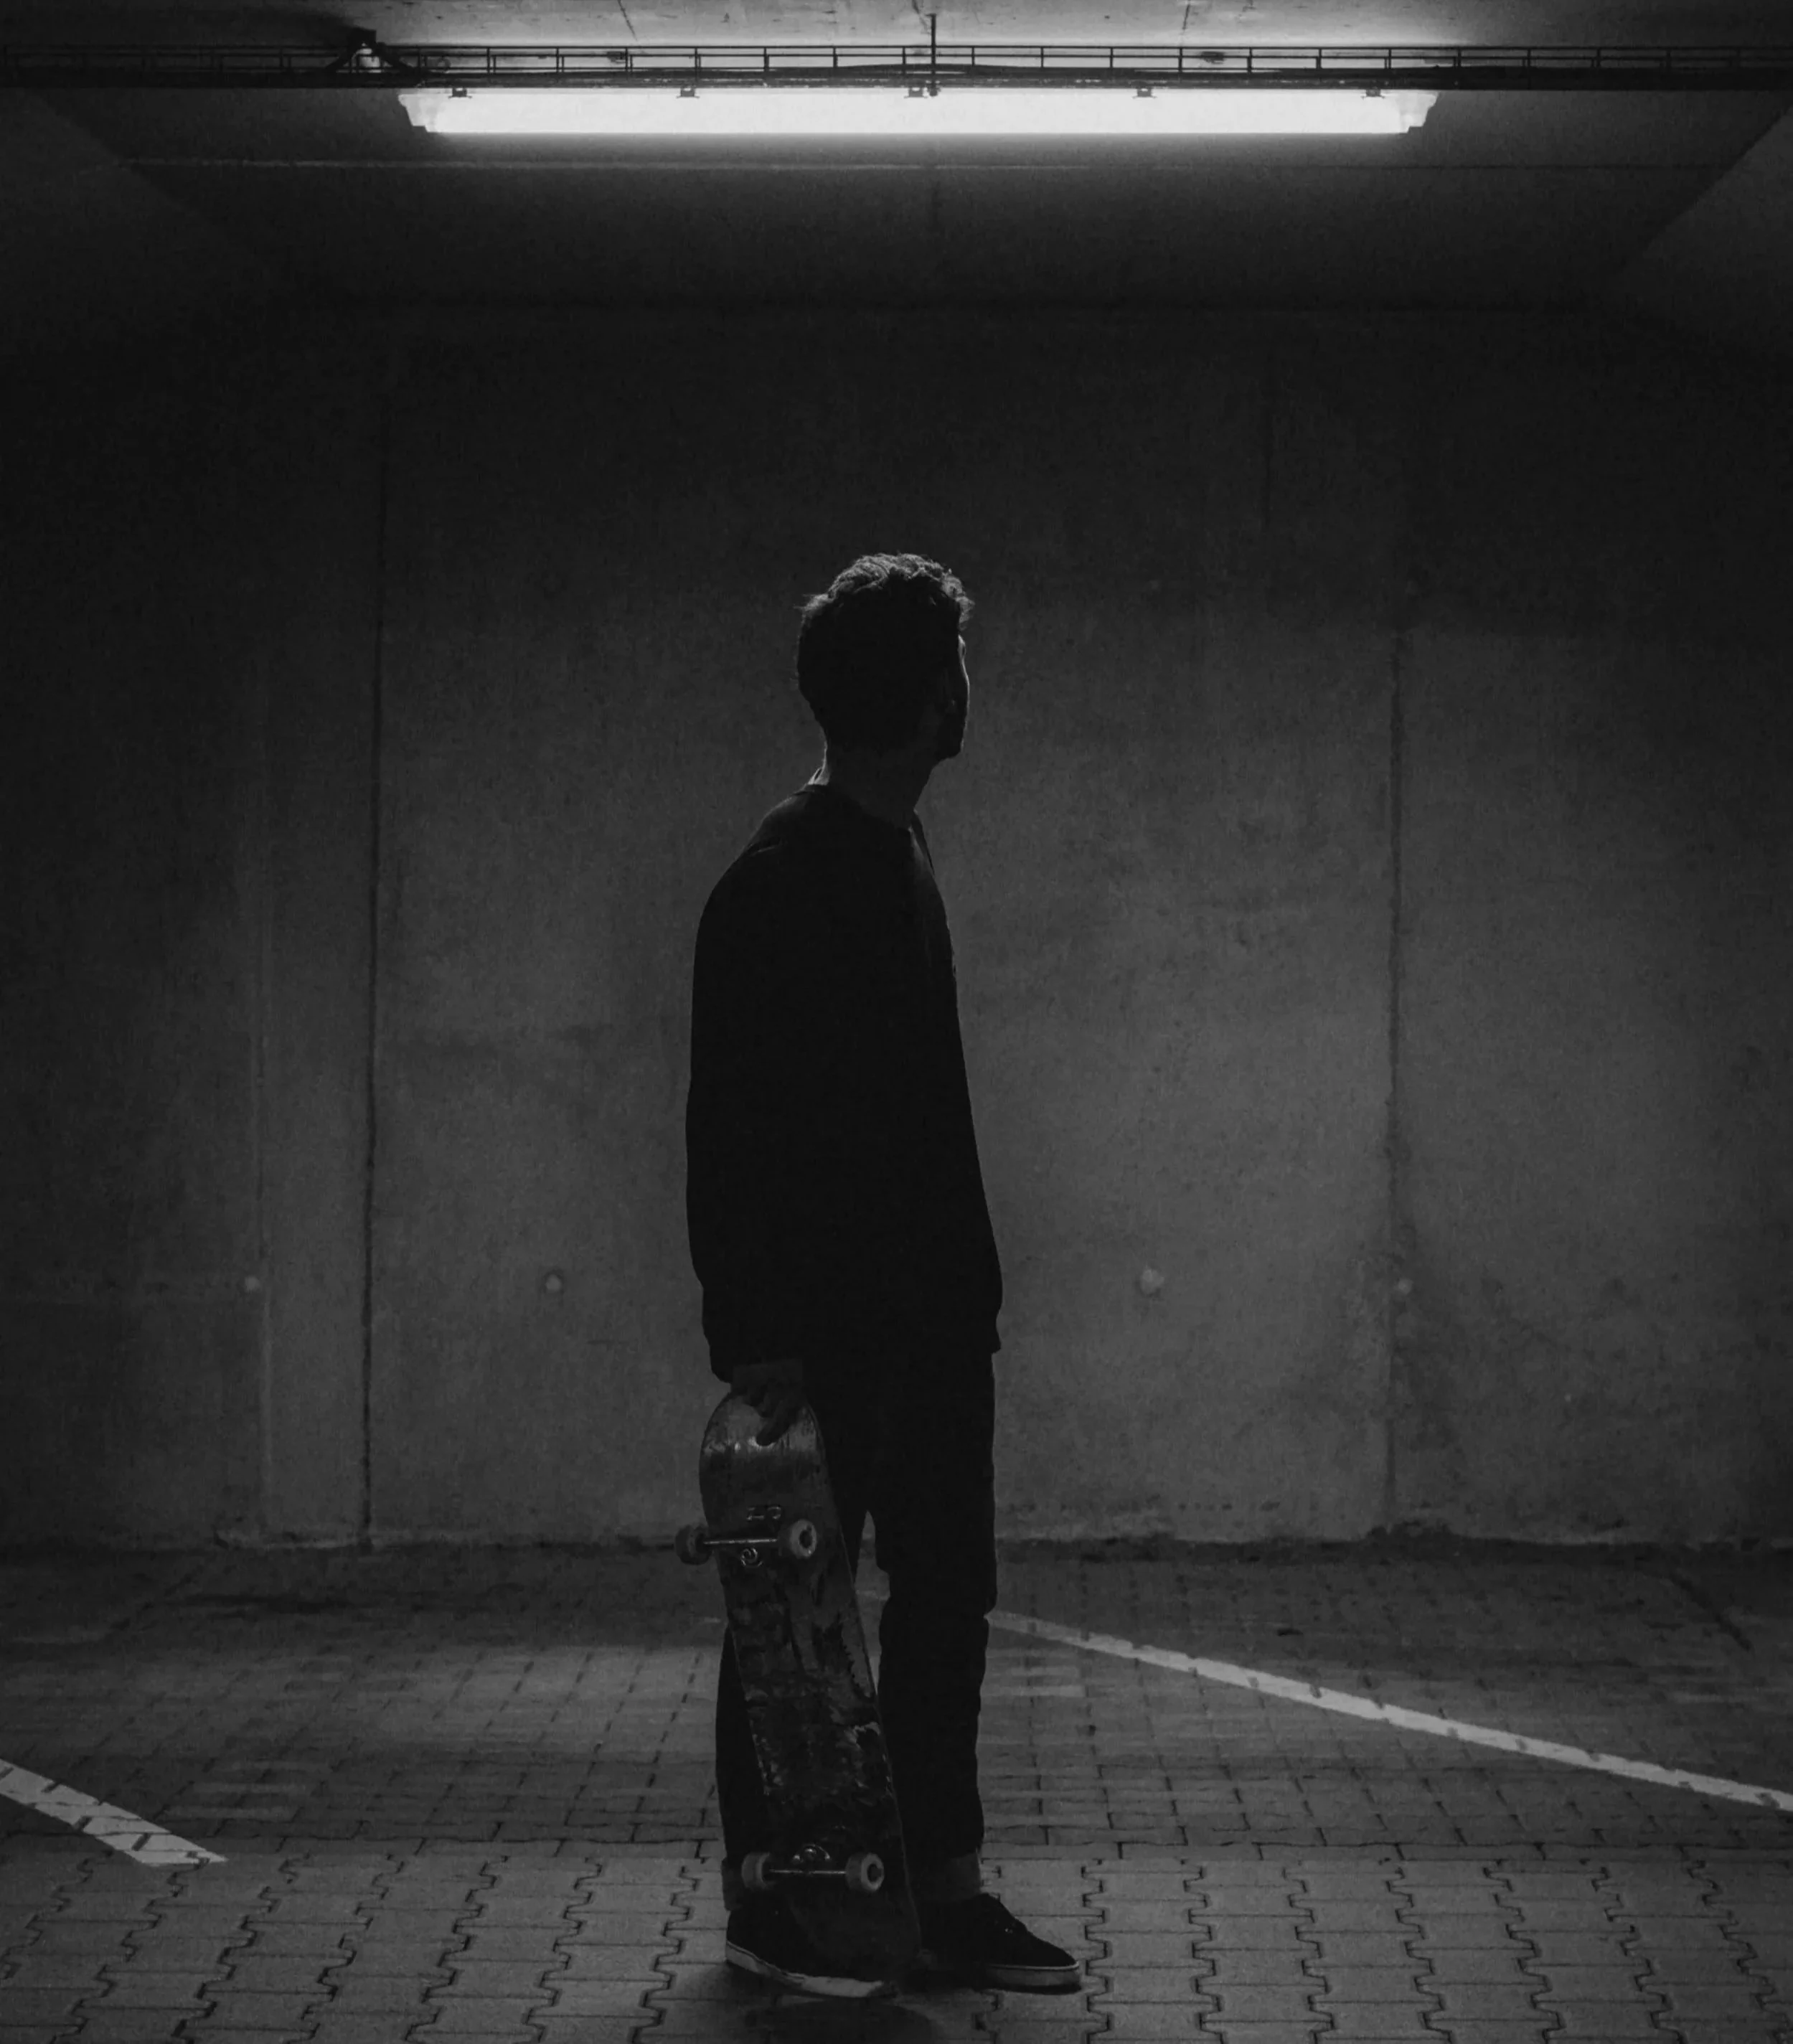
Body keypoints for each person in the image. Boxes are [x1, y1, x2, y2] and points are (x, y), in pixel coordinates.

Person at [684, 552, 1081, 2000]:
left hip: (927, 1320)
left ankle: (933, 1889)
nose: (968, 689)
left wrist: (966, 1293)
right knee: (792, 1617)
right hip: (830, 1330)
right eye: (956, 666)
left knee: (938, 1598)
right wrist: (756, 1336)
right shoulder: (780, 880)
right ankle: (776, 1899)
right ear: (925, 696)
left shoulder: (893, 851)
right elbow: (728, 1126)